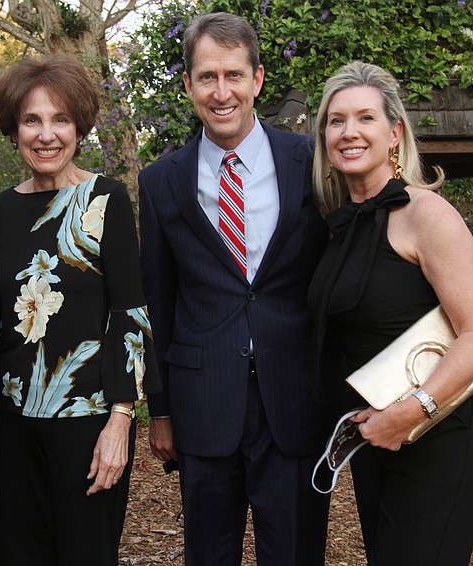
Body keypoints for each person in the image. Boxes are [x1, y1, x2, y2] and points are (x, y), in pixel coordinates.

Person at [138, 12, 331, 565]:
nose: (221, 92)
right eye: (207, 77)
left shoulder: (310, 163)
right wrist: (161, 409)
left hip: (294, 399)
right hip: (203, 404)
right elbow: (158, 301)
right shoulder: (161, 181)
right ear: (188, 84)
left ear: (258, 79)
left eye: (234, 75)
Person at [307, 61, 473, 565]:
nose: (349, 132)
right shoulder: (340, 227)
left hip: (441, 431)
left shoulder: (426, 214)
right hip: (379, 435)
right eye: (336, 120)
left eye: (365, 118)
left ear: (394, 133)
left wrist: (409, 414)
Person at [0, 53, 161, 565]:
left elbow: (130, 313)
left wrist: (121, 420)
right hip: (11, 426)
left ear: (79, 128)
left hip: (88, 423)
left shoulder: (105, 199)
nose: (47, 135)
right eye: (32, 120)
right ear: (13, 130)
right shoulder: (1, 210)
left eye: (60, 119)